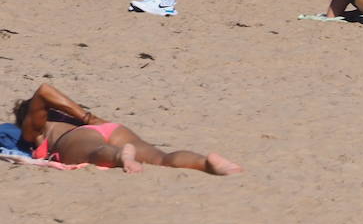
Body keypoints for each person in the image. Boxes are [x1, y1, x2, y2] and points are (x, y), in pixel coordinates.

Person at [13, 83, 242, 175]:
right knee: (161, 158)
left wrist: (87, 118)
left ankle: (121, 157)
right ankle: (207, 163)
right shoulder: (78, 120)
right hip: (111, 128)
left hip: (77, 138)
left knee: (96, 152)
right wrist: (89, 118)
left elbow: (43, 90)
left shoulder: (37, 130)